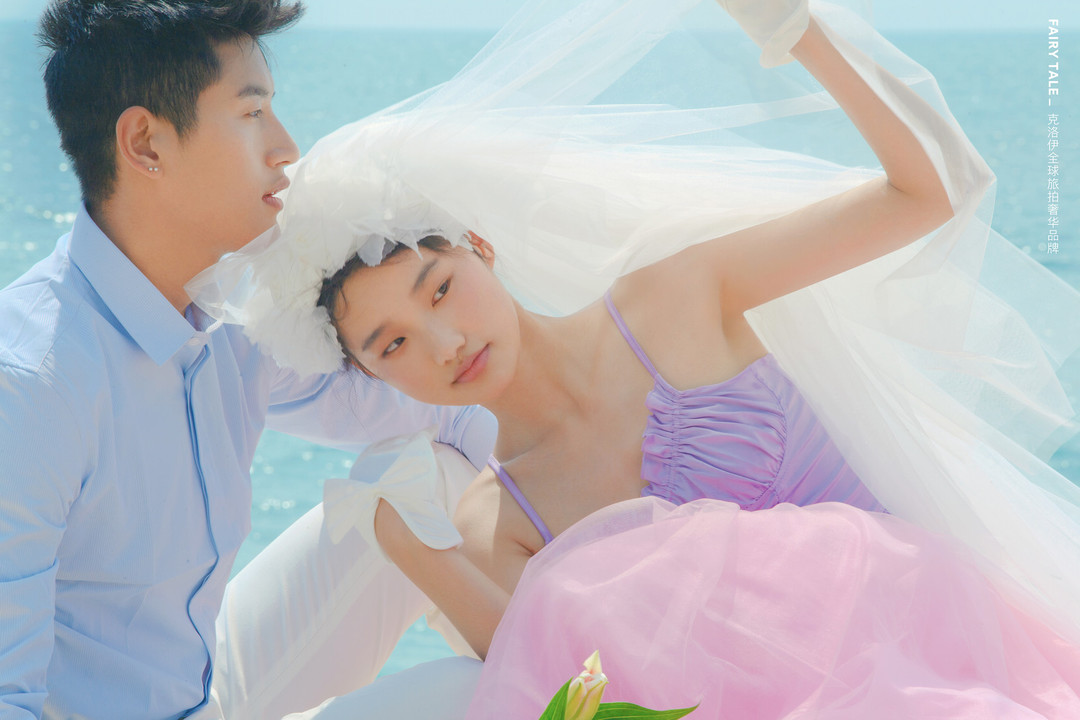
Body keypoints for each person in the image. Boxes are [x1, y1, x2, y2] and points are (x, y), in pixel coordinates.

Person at [192, 0, 1080, 714]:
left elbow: (931, 193)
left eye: (439, 289)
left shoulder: (672, 296)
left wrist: (794, 27)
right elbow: (571, 697)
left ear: (482, 247)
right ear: (371, 375)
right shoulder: (498, 524)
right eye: (392, 345)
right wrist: (402, 542)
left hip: (937, 653)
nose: (445, 343)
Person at [0, 1, 496, 718]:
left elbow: (432, 409)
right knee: (472, 698)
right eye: (252, 113)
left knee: (432, 476)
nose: (286, 148)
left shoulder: (231, 323)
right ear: (145, 144)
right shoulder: (29, 384)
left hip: (205, 685)